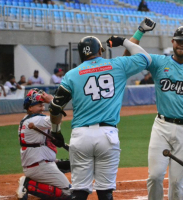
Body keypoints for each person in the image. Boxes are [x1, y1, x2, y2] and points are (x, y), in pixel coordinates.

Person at [47, 35, 153, 200]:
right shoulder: (117, 65)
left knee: (79, 191)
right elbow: (146, 58)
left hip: (81, 136)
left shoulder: (72, 74)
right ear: (100, 50)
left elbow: (55, 108)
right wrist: (124, 41)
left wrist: (56, 131)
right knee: (105, 192)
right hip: (107, 135)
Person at [124, 18, 183, 200]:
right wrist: (140, 31)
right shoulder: (158, 62)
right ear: (172, 42)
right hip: (161, 126)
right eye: (179, 41)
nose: (182, 45)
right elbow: (127, 56)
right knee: (155, 176)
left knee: (175, 182)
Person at [16, 88, 71, 200]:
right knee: (69, 193)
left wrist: (56, 141)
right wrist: (52, 102)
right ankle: (29, 185)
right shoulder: (36, 120)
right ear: (30, 108)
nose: (42, 107)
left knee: (68, 164)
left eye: (42, 105)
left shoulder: (27, 120)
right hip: (39, 165)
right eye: (39, 105)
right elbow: (56, 119)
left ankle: (35, 181)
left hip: (36, 162)